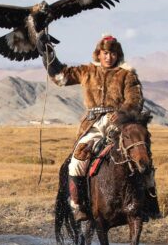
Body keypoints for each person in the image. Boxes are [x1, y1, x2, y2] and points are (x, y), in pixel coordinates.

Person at [39, 33, 160, 221]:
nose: (108, 57)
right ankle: (77, 205)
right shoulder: (87, 71)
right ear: (98, 54)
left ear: (117, 54)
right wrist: (47, 53)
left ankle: (150, 205)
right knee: (77, 160)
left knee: (141, 156)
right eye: (104, 53)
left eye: (112, 53)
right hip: (92, 125)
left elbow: (135, 101)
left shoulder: (127, 75)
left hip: (119, 124)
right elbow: (61, 77)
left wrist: (120, 114)